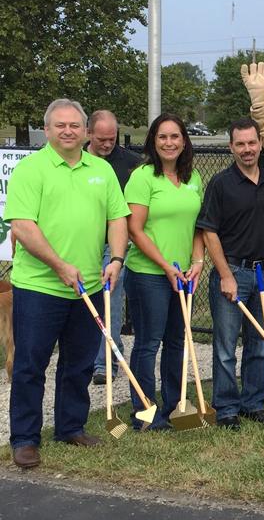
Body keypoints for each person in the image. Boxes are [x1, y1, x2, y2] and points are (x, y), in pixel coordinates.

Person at [5, 99, 129, 468]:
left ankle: (70, 427)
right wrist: (59, 265)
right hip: (39, 287)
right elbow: (23, 227)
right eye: (60, 125)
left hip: (88, 286)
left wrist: (117, 259)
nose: (68, 131)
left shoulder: (101, 171)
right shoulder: (32, 170)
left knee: (77, 365)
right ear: (47, 130)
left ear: (86, 131)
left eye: (75, 125)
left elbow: (118, 218)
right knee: (31, 364)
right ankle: (25, 438)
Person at [197, 118, 264, 430]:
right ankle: (226, 409)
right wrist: (225, 275)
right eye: (240, 144)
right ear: (231, 147)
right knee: (225, 346)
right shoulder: (221, 184)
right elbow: (209, 233)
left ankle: (253, 404)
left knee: (260, 344)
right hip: (233, 271)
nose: (247, 149)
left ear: (260, 144)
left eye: (252, 143)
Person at [124, 113, 204, 431]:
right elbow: (135, 229)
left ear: (184, 141)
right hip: (148, 275)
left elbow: (199, 226)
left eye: (175, 137)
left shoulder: (193, 178)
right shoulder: (142, 177)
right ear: (153, 142)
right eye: (162, 137)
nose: (169, 143)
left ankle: (174, 406)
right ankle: (145, 412)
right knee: (148, 343)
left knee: (176, 342)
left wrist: (197, 263)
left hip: (183, 275)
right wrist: (163, 266)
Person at [85, 110, 141, 384]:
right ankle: (82, 356)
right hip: (82, 245)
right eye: (101, 140)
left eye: (112, 139)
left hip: (115, 246)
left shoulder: (132, 164)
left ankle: (105, 362)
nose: (108, 144)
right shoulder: (77, 161)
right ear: (88, 134)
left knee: (110, 302)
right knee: (84, 305)